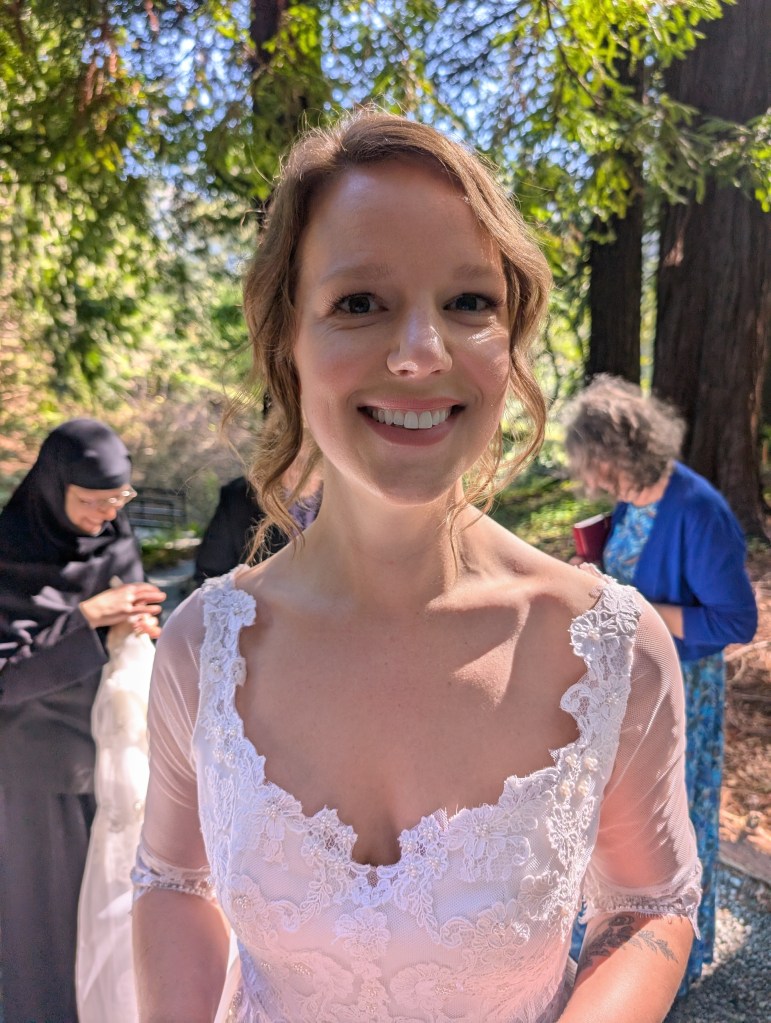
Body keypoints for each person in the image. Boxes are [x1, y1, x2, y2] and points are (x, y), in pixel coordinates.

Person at [133, 112, 702, 1023]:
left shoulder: (611, 650)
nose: (418, 354)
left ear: (509, 339)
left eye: (468, 303)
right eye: (360, 302)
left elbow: (649, 906)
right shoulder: (204, 648)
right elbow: (172, 876)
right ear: (287, 335)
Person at [562, 374, 758, 994]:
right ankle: (606, 939)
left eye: (598, 464)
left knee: (678, 813)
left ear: (625, 450)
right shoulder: (632, 500)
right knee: (619, 812)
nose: (593, 479)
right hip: (627, 684)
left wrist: (636, 609)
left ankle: (675, 962)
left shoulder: (699, 511)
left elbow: (736, 620)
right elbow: (626, 572)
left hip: (682, 693)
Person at [0, 419, 166, 1023]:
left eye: (116, 499)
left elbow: (131, 623)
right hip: (38, 771)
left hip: (114, 760)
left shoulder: (115, 538)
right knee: (44, 929)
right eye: (91, 501)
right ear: (52, 489)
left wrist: (140, 630)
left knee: (113, 915)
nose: (106, 513)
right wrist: (88, 619)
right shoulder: (10, 551)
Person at [193, 474, 321, 586]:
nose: (301, 468)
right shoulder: (240, 497)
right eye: (294, 452)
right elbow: (209, 576)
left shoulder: (339, 496)